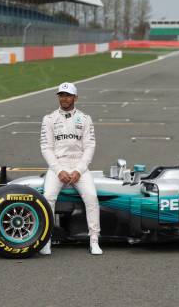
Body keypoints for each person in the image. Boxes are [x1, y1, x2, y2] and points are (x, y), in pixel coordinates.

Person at [39, 82, 102, 255]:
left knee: (91, 197)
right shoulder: (49, 119)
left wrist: (79, 170)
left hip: (78, 166)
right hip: (57, 166)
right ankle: (46, 240)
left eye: (67, 95)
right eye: (61, 95)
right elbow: (46, 147)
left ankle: (94, 240)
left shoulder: (85, 119)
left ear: (75, 97)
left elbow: (90, 146)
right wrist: (59, 170)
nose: (64, 98)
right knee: (48, 198)